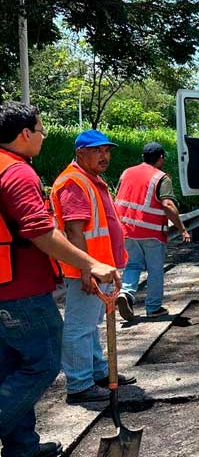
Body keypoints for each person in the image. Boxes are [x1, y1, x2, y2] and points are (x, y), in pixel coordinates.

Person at [0, 102, 119, 457]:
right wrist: (91, 265)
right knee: (44, 361)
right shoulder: (18, 172)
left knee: (11, 368)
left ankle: (23, 449)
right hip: (20, 289)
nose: (42, 136)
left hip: (6, 286)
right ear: (25, 134)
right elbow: (41, 231)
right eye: (40, 130)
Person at [50, 130, 136, 403]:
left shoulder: (91, 180)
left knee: (92, 324)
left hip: (100, 268)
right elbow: (75, 231)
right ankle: (79, 385)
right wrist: (87, 271)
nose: (104, 156)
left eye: (107, 151)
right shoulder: (75, 182)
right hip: (89, 271)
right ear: (80, 153)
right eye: (98, 150)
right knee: (80, 327)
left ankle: (100, 372)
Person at [115, 142, 190, 322]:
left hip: (125, 230)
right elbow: (168, 204)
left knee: (132, 265)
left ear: (143, 157)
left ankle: (126, 294)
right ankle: (153, 307)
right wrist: (182, 229)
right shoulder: (161, 178)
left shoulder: (126, 172)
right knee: (155, 270)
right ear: (161, 158)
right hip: (151, 232)